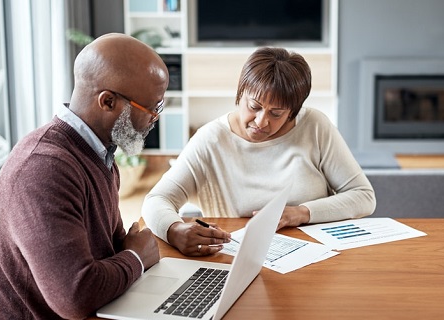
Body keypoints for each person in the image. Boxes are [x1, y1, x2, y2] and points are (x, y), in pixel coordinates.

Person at [0, 33, 167, 319]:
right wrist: (136, 259)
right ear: (108, 101)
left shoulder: (99, 154)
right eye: (151, 108)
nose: (154, 118)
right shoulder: (43, 170)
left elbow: (115, 249)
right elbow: (75, 296)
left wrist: (134, 252)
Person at [142, 47, 376, 256]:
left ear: (293, 111)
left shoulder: (315, 126)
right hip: (237, 258)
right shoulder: (210, 140)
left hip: (320, 256)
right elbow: (157, 199)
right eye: (254, 106)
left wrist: (302, 212)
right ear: (240, 93)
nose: (261, 122)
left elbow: (363, 197)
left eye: (276, 113)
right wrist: (174, 229)